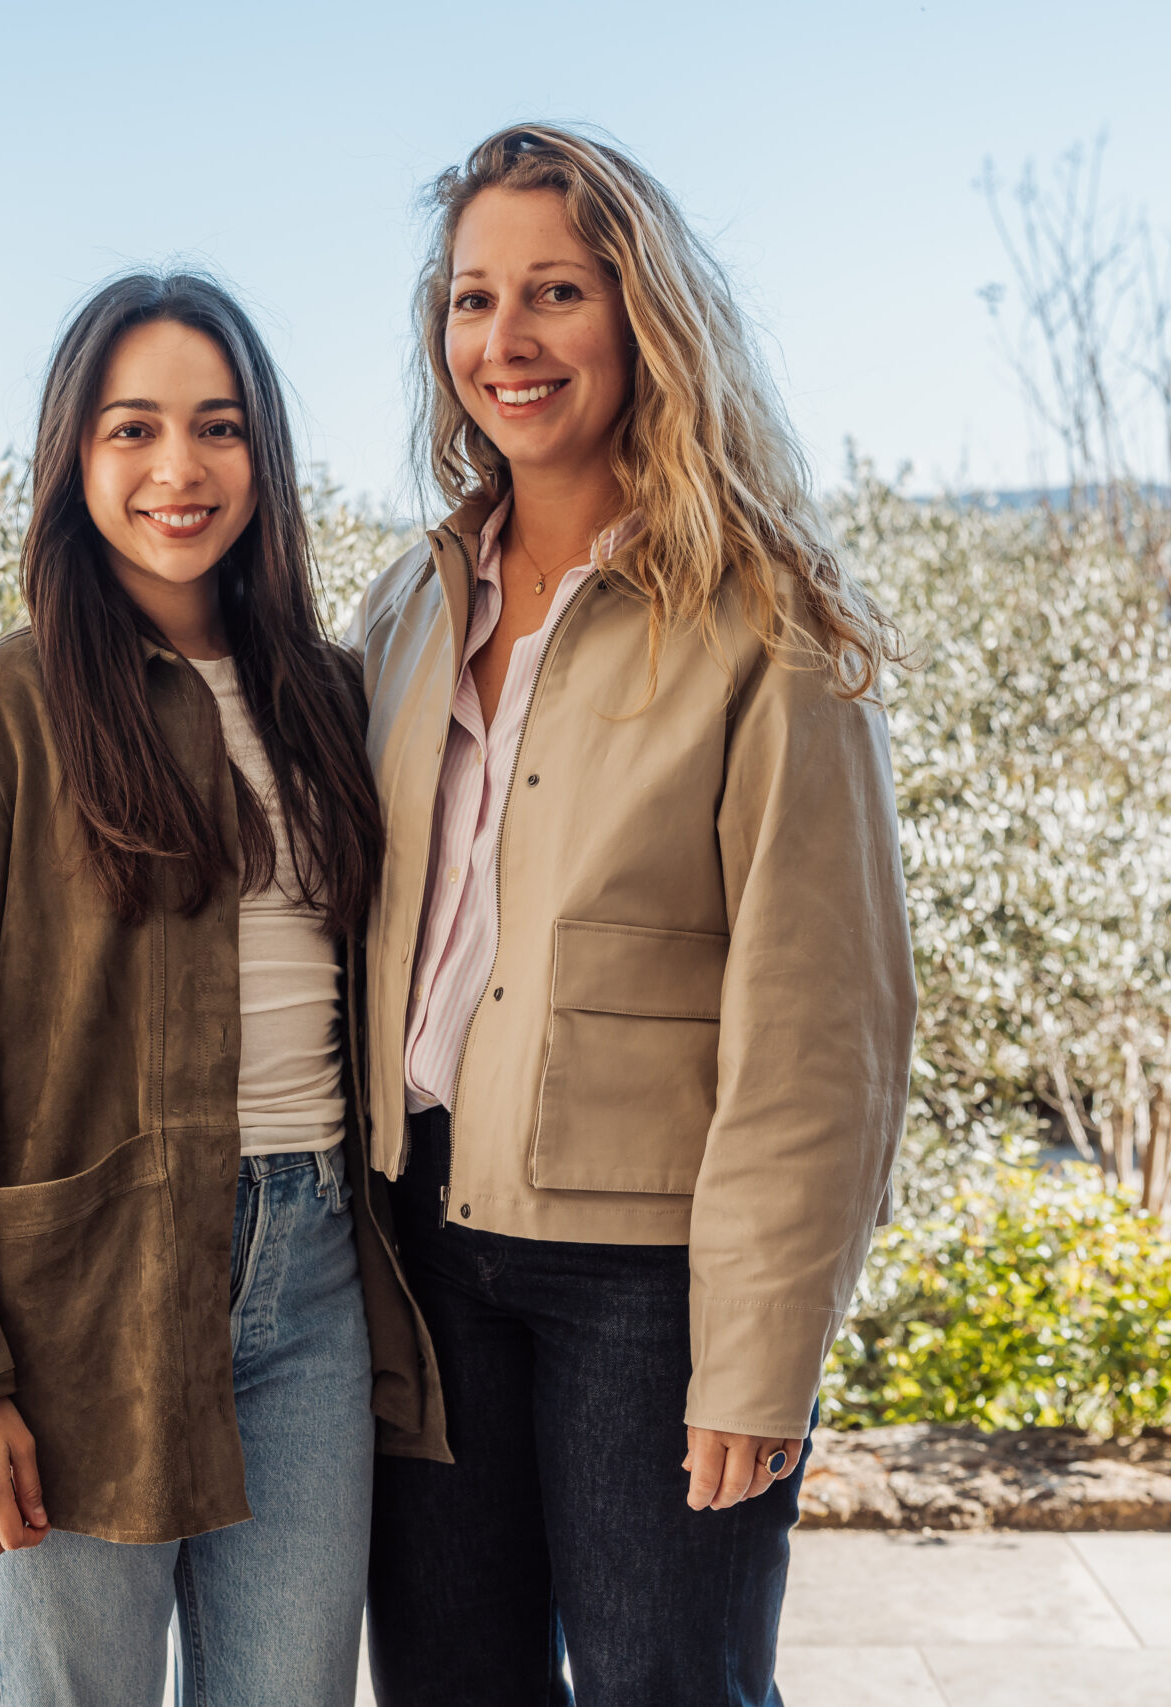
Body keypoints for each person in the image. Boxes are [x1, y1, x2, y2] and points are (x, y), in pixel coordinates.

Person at [355, 124, 917, 1706]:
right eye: (473, 299)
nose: (506, 342)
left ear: (643, 317)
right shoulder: (407, 606)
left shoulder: (765, 622)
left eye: (556, 292)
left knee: (672, 1688)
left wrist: (761, 1352)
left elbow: (827, 1027)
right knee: (452, 1686)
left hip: (647, 1283)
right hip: (420, 1243)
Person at [0, 270, 447, 1707]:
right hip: (71, 1314)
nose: (180, 469)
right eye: (133, 430)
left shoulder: (331, 698)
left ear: (264, 456)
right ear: (73, 459)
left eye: (219, 428)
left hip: (309, 1284)